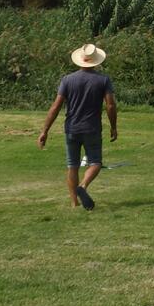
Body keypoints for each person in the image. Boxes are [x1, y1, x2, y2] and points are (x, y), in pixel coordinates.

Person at [37, 43, 118, 211]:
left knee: (72, 165)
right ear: (96, 61)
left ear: (80, 60)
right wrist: (113, 126)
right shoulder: (103, 80)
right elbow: (110, 105)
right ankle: (83, 185)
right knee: (95, 163)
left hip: (71, 129)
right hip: (92, 128)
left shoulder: (67, 80)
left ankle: (74, 203)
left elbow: (56, 106)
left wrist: (45, 131)